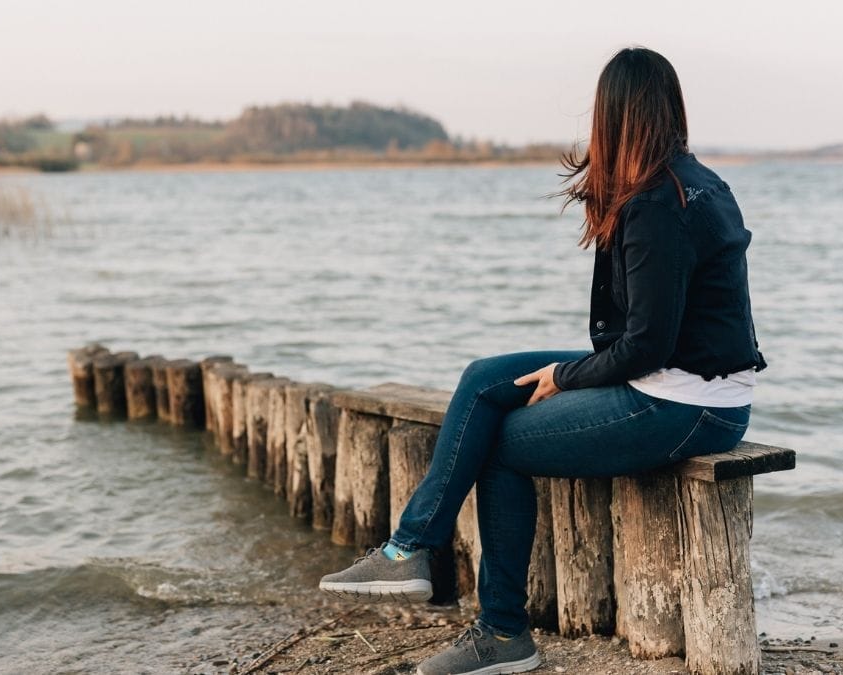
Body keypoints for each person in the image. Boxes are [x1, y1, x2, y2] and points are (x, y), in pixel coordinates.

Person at [318, 46, 768, 675]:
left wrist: (564, 377)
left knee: (501, 444)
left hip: (688, 404)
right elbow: (649, 340)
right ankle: (411, 549)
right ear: (668, 109)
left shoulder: (659, 203)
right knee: (483, 380)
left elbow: (648, 345)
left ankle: (501, 632)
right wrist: (573, 374)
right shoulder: (693, 182)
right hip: (680, 383)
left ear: (614, 114)